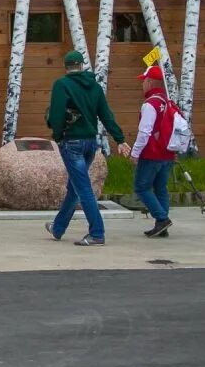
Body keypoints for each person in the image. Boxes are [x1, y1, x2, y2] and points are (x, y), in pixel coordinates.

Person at [44, 50, 129, 246]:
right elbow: (106, 115)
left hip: (72, 142)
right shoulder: (95, 87)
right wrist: (120, 139)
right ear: (82, 65)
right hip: (91, 142)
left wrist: (57, 136)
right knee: (75, 187)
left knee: (83, 189)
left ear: (66, 68)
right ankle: (57, 228)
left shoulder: (62, 85)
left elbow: (56, 115)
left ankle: (97, 233)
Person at [131, 64, 179, 237]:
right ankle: (161, 225)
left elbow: (145, 132)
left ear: (150, 82)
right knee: (161, 188)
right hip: (168, 152)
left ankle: (162, 218)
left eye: (144, 81)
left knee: (141, 187)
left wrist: (135, 153)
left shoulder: (150, 104)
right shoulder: (168, 102)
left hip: (152, 153)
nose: (142, 84)